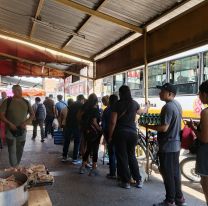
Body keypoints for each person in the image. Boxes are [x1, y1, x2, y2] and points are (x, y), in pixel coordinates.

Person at [143, 83, 187, 206]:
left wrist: (148, 126)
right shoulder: (177, 105)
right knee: (175, 173)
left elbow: (164, 128)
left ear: (170, 94)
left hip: (168, 145)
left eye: (162, 91)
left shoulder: (167, 107)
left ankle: (170, 200)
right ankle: (179, 198)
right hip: (176, 144)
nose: (159, 93)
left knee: (167, 173)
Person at [108, 85, 144, 189]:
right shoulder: (134, 103)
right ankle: (138, 180)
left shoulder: (117, 105)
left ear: (120, 94)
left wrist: (110, 136)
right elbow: (141, 112)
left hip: (121, 134)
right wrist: (147, 107)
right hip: (133, 134)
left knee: (122, 157)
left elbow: (112, 122)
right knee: (132, 156)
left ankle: (126, 181)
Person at [0, 85, 34, 167]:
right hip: (10, 130)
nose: (19, 91)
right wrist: (9, 123)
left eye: (20, 90)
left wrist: (25, 122)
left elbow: (32, 115)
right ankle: (15, 168)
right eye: (17, 90)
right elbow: (1, 115)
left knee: (20, 150)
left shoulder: (26, 102)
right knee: (11, 150)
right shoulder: (7, 101)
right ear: (13, 91)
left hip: (22, 130)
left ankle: (16, 165)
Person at [188, 80, 208, 205]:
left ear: (205, 94)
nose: (199, 97)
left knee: (205, 182)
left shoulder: (206, 112)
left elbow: (205, 138)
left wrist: (193, 128)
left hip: (206, 153)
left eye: (199, 94)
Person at [79, 93, 102, 175]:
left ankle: (82, 166)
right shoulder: (95, 109)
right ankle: (94, 168)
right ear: (96, 101)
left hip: (86, 130)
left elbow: (78, 116)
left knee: (88, 148)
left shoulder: (85, 107)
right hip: (94, 132)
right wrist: (99, 129)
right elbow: (94, 122)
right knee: (95, 149)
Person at [62, 95, 85, 163]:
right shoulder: (82, 105)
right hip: (77, 126)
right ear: (82, 99)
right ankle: (74, 158)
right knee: (77, 142)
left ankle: (64, 156)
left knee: (67, 141)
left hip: (68, 125)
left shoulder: (71, 105)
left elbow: (68, 116)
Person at [102, 94, 118, 179]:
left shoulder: (107, 110)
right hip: (119, 134)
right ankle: (120, 173)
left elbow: (104, 125)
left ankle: (112, 173)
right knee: (119, 154)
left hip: (109, 134)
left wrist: (106, 136)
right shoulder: (120, 109)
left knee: (112, 153)